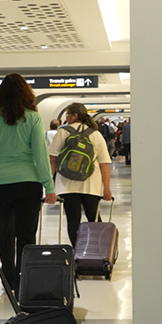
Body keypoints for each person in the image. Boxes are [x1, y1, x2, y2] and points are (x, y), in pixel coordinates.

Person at [0, 73, 56, 293]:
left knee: (5, 231)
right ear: (26, 93)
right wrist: (49, 186)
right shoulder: (32, 118)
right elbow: (40, 154)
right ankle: (25, 279)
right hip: (28, 182)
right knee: (27, 233)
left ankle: (8, 279)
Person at [49, 103, 112, 247]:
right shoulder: (95, 134)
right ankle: (98, 250)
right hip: (92, 184)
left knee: (73, 220)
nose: (66, 118)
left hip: (67, 184)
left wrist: (50, 183)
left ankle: (77, 251)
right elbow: (104, 164)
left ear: (74, 115)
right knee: (94, 218)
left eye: (67, 115)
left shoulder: (63, 132)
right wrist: (106, 188)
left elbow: (53, 159)